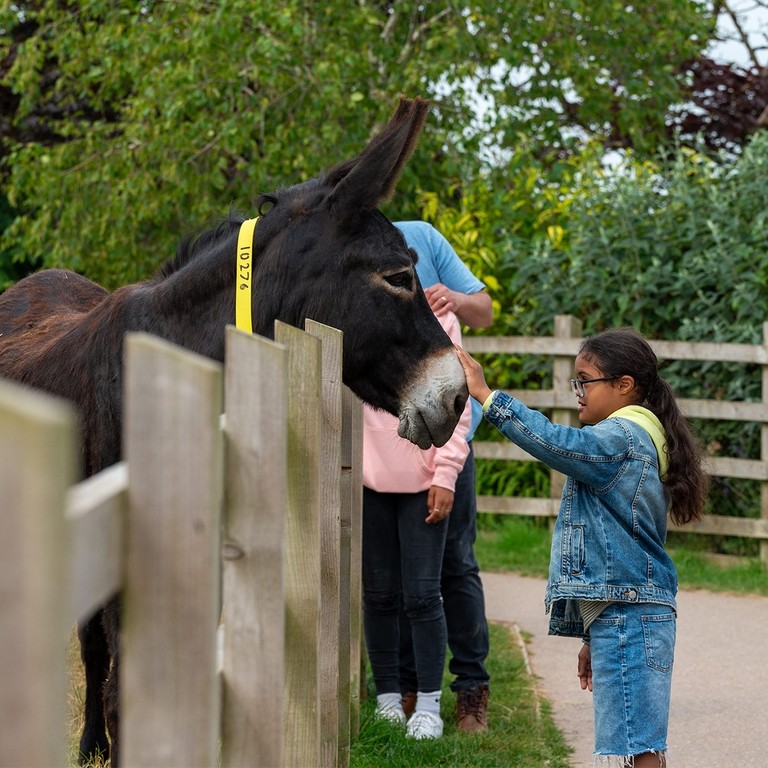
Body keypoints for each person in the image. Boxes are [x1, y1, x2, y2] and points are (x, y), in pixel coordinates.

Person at [456, 328, 708, 767]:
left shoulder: (622, 440)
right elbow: (618, 552)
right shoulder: (638, 439)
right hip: (625, 613)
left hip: (630, 615)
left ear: (624, 385)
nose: (577, 391)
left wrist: (487, 396)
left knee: (640, 746)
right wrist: (593, 635)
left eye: (584, 380)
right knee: (639, 742)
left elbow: (558, 443)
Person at [395, 221, 494, 733]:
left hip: (448, 438)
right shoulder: (337, 242)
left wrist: (453, 297)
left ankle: (471, 688)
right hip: (388, 449)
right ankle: (409, 686)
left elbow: (486, 310)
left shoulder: (422, 237)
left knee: (455, 564)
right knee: (399, 575)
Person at [362, 306, 472, 739]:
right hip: (369, 478)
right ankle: (388, 699)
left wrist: (446, 474)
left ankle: (429, 704)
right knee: (377, 596)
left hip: (424, 478)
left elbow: (458, 403)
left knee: (424, 596)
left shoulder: (440, 318)